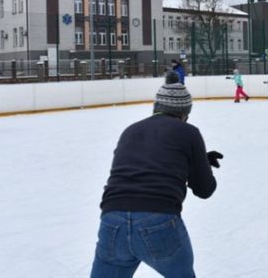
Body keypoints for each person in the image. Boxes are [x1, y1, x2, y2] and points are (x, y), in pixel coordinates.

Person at [90, 71, 222, 277]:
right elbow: (204, 190)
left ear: (156, 108)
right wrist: (203, 164)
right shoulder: (188, 132)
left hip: (112, 219)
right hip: (157, 220)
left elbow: (146, 162)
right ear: (184, 113)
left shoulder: (130, 130)